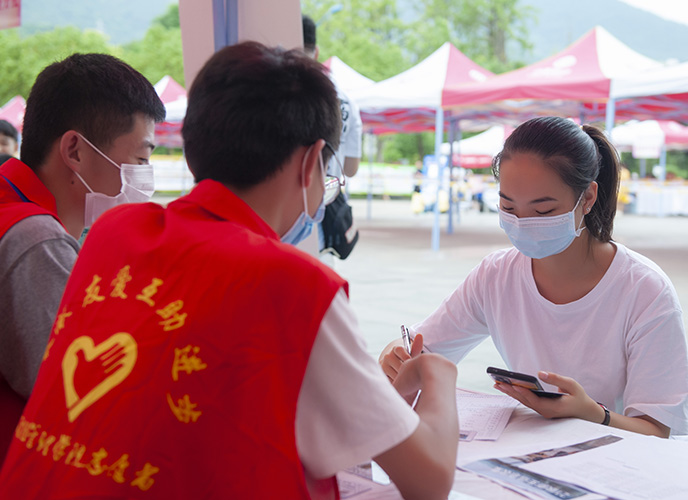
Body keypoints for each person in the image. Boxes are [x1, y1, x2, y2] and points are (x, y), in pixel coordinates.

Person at [0, 42, 459, 499]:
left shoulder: (113, 234)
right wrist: (437, 375)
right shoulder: (296, 284)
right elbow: (430, 480)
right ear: (310, 161)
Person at [380, 116, 688, 439]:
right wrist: (397, 356)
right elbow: (423, 348)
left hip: (623, 459)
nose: (523, 223)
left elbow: (657, 430)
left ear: (587, 198)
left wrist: (591, 413)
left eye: (543, 212)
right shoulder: (496, 275)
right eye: (508, 208)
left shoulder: (645, 291)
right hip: (535, 450)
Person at [0, 53, 165, 463]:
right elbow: (79, 400)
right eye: (142, 159)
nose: (145, 179)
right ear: (74, 150)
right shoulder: (36, 240)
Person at [302, 14, 363, 260]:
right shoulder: (346, 99)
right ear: (316, 51)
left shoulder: (285, 94)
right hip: (326, 212)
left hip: (287, 214)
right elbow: (350, 169)